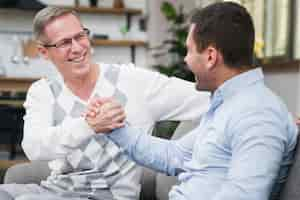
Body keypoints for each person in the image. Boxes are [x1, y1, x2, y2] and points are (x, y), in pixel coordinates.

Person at [0, 6, 210, 200]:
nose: (77, 48)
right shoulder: (43, 92)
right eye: (65, 42)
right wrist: (88, 125)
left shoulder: (134, 82)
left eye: (80, 36)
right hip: (55, 191)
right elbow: (34, 148)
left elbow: (206, 99)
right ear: (44, 52)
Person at [96, 2, 298, 200]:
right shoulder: (229, 106)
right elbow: (173, 155)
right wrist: (113, 128)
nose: (185, 59)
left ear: (210, 57)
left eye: (190, 50)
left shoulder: (258, 116)